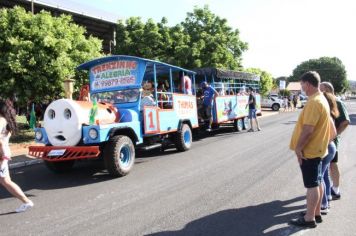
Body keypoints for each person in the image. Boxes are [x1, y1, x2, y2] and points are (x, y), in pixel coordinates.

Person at [289, 71, 332, 228]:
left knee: (312, 185)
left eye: (301, 84)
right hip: (318, 149)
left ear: (307, 84)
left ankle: (309, 218)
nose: (301, 87)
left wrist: (299, 148)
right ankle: (316, 213)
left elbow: (308, 130)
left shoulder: (314, 102)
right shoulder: (321, 99)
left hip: (311, 151)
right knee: (318, 182)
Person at [0, 99, 34, 213]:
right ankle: (26, 202)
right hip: (3, 154)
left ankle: (27, 202)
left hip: (1, 154)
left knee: (6, 181)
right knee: (6, 181)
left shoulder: (1, 120)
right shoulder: (6, 120)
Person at [320, 81, 350, 200]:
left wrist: (334, 135)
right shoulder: (326, 101)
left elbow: (345, 122)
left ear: (327, 89)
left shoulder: (337, 102)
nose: (319, 91)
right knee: (326, 167)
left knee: (332, 164)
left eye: (321, 89)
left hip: (331, 141)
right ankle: (325, 192)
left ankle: (336, 190)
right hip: (325, 141)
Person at [319, 92, 338, 214]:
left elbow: (334, 133)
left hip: (328, 148)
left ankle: (324, 204)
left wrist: (324, 144)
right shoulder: (329, 113)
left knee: (319, 177)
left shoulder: (326, 114)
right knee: (324, 174)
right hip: (331, 147)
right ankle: (327, 198)